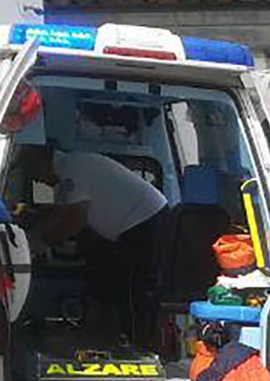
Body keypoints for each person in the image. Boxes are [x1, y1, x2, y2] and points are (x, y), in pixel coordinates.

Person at [18, 145, 169, 347]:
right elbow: (60, 214)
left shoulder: (73, 167)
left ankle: (140, 344)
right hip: (131, 225)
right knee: (115, 283)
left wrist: (38, 245)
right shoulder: (66, 180)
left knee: (135, 289)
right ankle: (115, 335)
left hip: (144, 219)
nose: (36, 179)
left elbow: (75, 219)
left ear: (41, 161)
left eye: (33, 172)